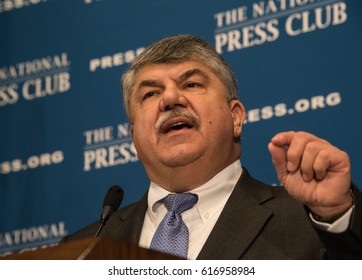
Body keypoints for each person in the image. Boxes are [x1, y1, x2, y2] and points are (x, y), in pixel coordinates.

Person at [61, 34, 362, 259]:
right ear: (134, 138)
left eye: (191, 84)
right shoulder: (81, 251)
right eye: (150, 94)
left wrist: (337, 214)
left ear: (235, 117)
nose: (170, 99)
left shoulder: (309, 221)